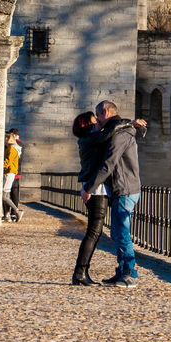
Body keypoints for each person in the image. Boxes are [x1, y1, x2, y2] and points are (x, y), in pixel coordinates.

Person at [82, 99, 143, 288]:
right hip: (123, 188)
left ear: (106, 113)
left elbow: (108, 164)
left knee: (122, 232)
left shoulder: (120, 135)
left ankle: (130, 274)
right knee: (118, 232)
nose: (97, 120)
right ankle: (123, 271)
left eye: (98, 115)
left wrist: (88, 188)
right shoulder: (120, 132)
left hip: (125, 188)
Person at [70, 111, 109, 286]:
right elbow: (109, 132)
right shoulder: (91, 138)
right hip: (95, 188)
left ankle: (81, 272)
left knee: (93, 232)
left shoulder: (87, 139)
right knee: (93, 232)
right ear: (88, 123)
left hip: (91, 186)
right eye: (94, 119)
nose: (97, 121)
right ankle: (80, 273)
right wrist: (127, 123)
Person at [2, 130, 22, 222]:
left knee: (4, 196)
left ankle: (17, 211)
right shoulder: (10, 148)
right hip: (9, 172)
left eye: (6, 137)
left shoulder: (12, 149)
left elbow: (7, 162)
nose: (5, 139)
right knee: (5, 195)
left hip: (9, 173)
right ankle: (8, 215)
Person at [9, 128, 23, 215]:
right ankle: (14, 211)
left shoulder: (16, 144)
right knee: (14, 192)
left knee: (11, 193)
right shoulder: (21, 144)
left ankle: (14, 211)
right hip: (17, 171)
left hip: (13, 171)